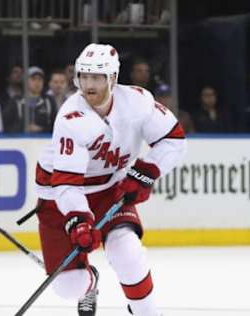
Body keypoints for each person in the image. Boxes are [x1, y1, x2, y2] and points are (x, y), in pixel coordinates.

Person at [34, 43, 186, 316]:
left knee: (126, 251)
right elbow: (66, 184)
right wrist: (79, 220)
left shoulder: (138, 102)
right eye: (84, 76)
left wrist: (146, 172)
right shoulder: (71, 118)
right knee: (68, 287)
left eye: (97, 77)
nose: (89, 85)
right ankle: (90, 284)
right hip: (58, 197)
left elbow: (173, 140)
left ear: (113, 78)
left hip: (108, 191)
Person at [2, 66, 57, 133]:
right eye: (33, 79)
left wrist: (42, 129)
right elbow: (6, 126)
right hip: (21, 142)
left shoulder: (49, 101)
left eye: (40, 79)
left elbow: (56, 126)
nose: (37, 82)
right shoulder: (16, 101)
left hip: (45, 142)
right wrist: (24, 129)